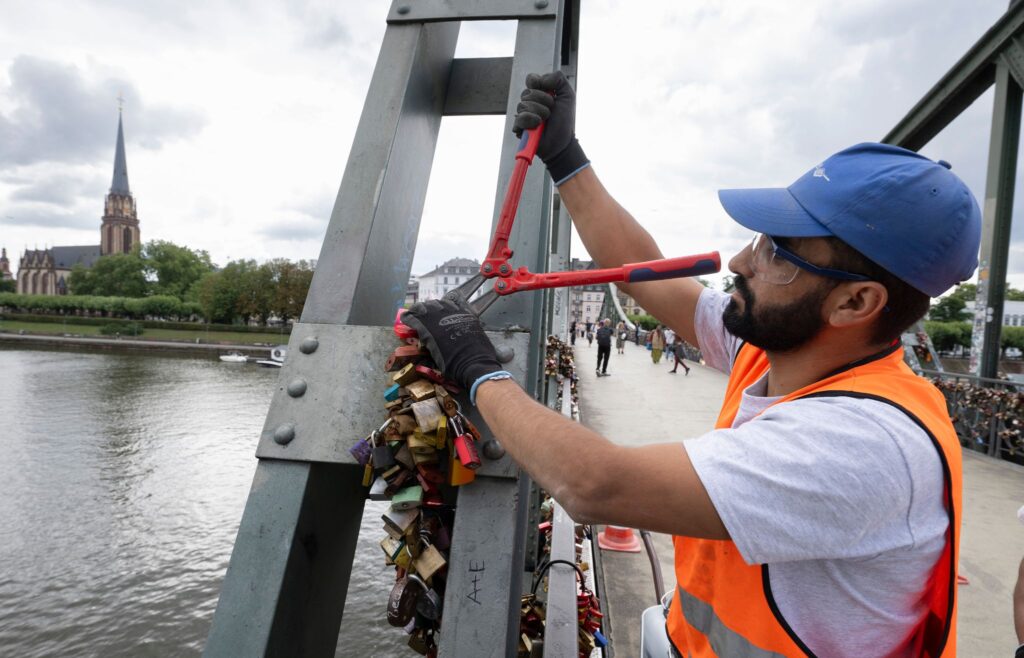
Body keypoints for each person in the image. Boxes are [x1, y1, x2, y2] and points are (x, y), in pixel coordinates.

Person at [403, 71, 975, 658]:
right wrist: (566, 158)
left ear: (855, 302)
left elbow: (596, 485)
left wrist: (477, 368)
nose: (739, 260)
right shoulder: (781, 351)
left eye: (777, 253)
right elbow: (643, 270)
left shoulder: (863, 444)